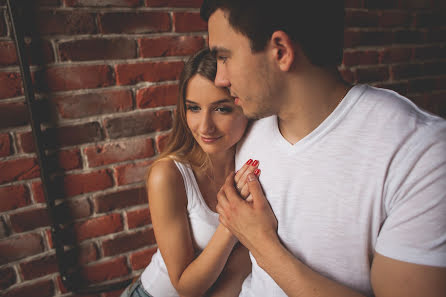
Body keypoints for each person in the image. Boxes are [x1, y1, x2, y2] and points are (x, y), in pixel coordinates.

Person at [200, 1, 446, 297]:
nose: (220, 79)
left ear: (280, 50)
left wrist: (262, 243)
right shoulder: (248, 130)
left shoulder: (419, 152)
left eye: (224, 57)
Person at [120, 48, 257, 297]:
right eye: (194, 108)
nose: (204, 126)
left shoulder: (251, 161)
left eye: (221, 109)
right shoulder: (168, 175)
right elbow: (185, 287)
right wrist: (231, 223)